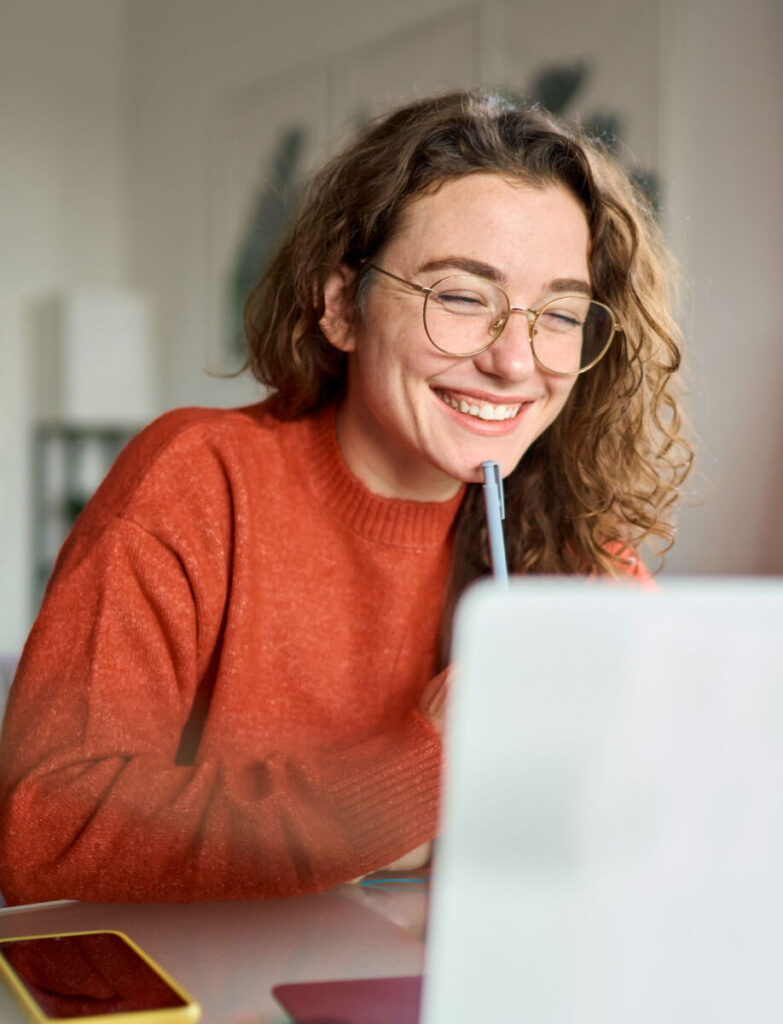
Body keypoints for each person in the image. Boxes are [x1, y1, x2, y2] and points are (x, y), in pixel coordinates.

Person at [0, 89, 691, 905]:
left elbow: (667, 815)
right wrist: (422, 768)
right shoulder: (196, 480)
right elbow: (47, 833)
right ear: (340, 307)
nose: (515, 361)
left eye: (559, 312)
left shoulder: (570, 536)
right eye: (462, 296)